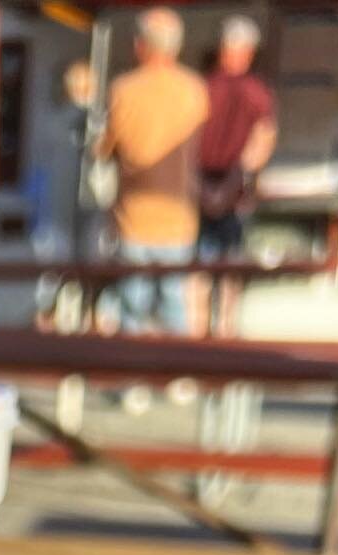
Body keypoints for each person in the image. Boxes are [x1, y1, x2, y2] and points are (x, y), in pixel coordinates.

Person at [98, 8, 209, 336]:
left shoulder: (123, 90)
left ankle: (131, 379)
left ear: (141, 45)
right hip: (180, 215)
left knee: (133, 303)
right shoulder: (194, 90)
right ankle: (180, 377)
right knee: (175, 301)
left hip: (133, 216)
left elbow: (106, 148)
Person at [198, 16, 277, 262]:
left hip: (206, 189)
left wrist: (209, 191)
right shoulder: (258, 93)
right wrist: (230, 187)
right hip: (231, 191)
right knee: (228, 269)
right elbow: (261, 146)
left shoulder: (201, 87)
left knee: (201, 267)